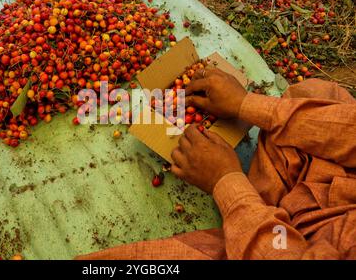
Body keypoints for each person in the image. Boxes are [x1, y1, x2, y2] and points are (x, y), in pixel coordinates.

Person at [78, 68, 356, 260]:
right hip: (337, 194)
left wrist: (227, 183)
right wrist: (245, 104)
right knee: (317, 93)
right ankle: (263, 209)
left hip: (305, 244)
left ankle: (259, 215)